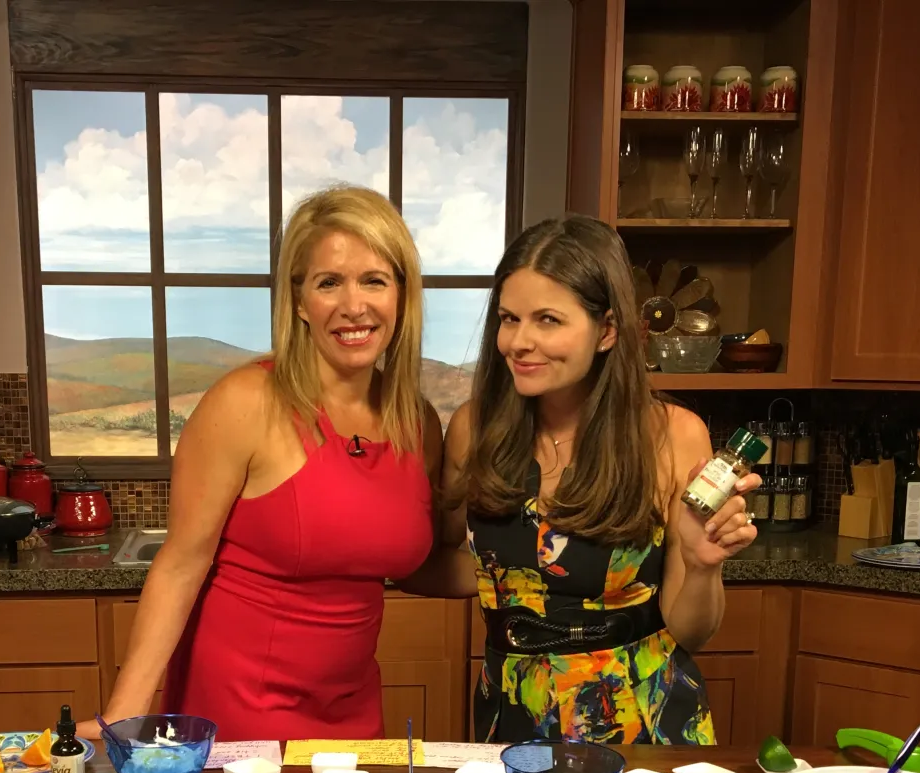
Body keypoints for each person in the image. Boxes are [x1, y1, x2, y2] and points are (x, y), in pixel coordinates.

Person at [86, 186, 440, 743]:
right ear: (299, 300)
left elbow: (408, 554)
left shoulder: (416, 423)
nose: (354, 305)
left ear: (402, 294)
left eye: (374, 279)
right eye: (329, 283)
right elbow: (180, 565)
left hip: (353, 719)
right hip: (238, 714)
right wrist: (122, 718)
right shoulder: (246, 401)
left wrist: (526, 581)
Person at [401, 214, 758, 743]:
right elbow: (431, 562)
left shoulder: (675, 436)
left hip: (640, 721)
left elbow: (690, 631)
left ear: (607, 330)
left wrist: (703, 567)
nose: (519, 342)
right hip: (512, 713)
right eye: (508, 318)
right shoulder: (476, 428)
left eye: (547, 319)